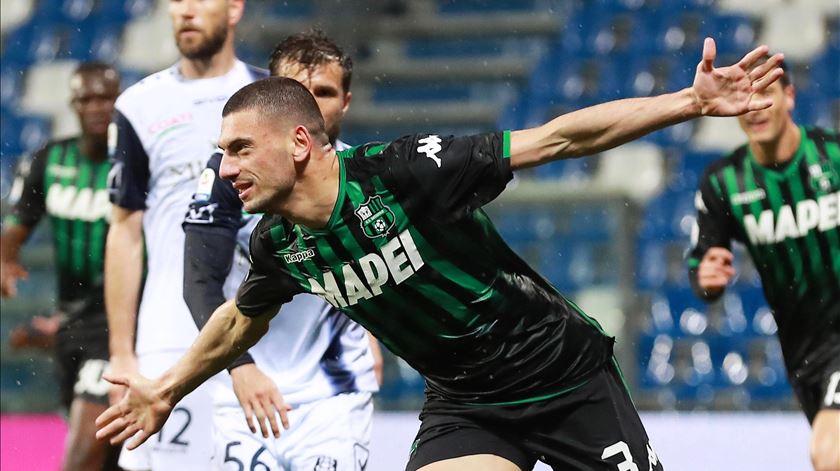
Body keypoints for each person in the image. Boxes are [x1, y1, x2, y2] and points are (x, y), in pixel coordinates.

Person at [96, 39, 784, 471]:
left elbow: (556, 140)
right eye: (221, 152)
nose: (224, 167)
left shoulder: (403, 171)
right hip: (467, 404)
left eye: (240, 148)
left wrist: (691, 101)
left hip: (563, 378)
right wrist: (164, 389)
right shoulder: (278, 244)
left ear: (299, 143)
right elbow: (240, 321)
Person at [183, 30, 381, 470]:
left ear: (346, 102)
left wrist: (374, 332)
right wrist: (241, 367)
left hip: (334, 398)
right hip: (246, 394)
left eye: (324, 93)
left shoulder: (367, 174)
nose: (309, 105)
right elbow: (200, 280)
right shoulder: (228, 175)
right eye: (296, 91)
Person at [104, 0, 266, 468]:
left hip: (259, 333)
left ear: (235, 8)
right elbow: (125, 231)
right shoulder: (138, 105)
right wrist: (122, 353)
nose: (186, 11)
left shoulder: (269, 94)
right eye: (176, 1)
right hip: (167, 338)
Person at [686, 59, 839, 471]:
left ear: (788, 96)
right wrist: (706, 278)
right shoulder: (723, 182)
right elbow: (703, 261)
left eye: (765, 94)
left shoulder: (834, 155)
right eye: (745, 99)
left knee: (830, 453)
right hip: (804, 350)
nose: (754, 108)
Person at [1, 61, 121, 471]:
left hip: (121, 326)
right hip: (73, 324)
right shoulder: (50, 160)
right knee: (110, 455)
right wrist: (5, 259)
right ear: (73, 103)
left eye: (106, 97)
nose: (96, 107)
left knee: (85, 448)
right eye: (87, 98)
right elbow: (17, 223)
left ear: (119, 101)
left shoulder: (134, 164)